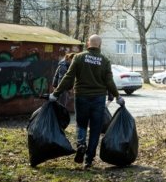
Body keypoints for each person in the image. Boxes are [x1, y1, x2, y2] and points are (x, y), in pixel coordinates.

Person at [49, 34, 124, 169]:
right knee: (95, 128)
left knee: (81, 124)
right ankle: (88, 159)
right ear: (100, 45)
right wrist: (117, 96)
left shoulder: (79, 57)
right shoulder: (105, 60)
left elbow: (68, 77)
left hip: (81, 96)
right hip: (98, 98)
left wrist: (56, 93)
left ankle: (81, 144)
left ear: (88, 44)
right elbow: (109, 81)